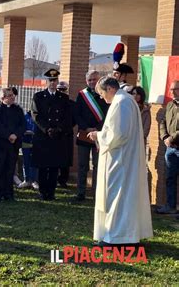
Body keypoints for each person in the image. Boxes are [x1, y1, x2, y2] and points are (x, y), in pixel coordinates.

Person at [87, 76, 153, 245]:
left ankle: (117, 238)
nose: (102, 97)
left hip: (120, 162)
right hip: (122, 159)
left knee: (117, 197)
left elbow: (119, 134)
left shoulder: (121, 102)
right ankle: (121, 236)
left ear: (109, 88)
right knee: (121, 197)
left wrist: (98, 135)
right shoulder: (125, 100)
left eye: (102, 93)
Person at [31, 69, 72, 201]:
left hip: (57, 137)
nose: (53, 83)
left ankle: (51, 191)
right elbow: (35, 115)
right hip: (43, 136)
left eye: (55, 80)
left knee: (54, 166)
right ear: (46, 81)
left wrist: (58, 129)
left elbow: (67, 117)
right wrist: (47, 129)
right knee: (43, 165)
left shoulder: (63, 98)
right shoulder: (38, 96)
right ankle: (43, 191)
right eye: (50, 80)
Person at [73, 70, 109, 202]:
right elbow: (77, 114)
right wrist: (86, 127)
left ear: (99, 80)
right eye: (90, 80)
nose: (92, 82)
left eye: (94, 79)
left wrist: (97, 129)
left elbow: (108, 114)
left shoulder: (104, 93)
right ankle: (81, 192)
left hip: (99, 135)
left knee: (98, 164)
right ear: (86, 81)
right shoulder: (82, 95)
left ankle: (96, 193)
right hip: (84, 134)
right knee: (82, 165)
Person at [0, 87, 26, 202]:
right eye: (10, 95)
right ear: (3, 97)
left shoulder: (18, 109)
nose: (13, 97)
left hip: (13, 145)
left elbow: (23, 125)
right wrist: (8, 135)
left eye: (13, 95)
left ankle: (8, 194)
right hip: (0, 145)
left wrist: (15, 135)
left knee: (10, 170)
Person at [156, 80, 179, 214]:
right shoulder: (170, 105)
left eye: (175, 89)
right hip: (170, 148)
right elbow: (163, 122)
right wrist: (165, 137)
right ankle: (170, 206)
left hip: (176, 143)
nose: (172, 92)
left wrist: (172, 137)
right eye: (171, 89)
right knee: (170, 178)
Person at [56, 81, 76, 188]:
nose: (61, 91)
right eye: (59, 89)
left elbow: (74, 120)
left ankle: (63, 180)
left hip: (66, 134)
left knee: (65, 159)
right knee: (54, 158)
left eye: (63, 89)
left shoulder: (72, 104)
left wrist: (65, 127)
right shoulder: (52, 102)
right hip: (54, 135)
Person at [19, 110, 38, 189]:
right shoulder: (25, 117)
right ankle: (26, 180)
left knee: (34, 162)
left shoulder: (38, 117)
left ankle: (34, 180)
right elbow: (21, 128)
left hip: (36, 142)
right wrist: (25, 131)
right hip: (26, 141)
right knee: (26, 161)